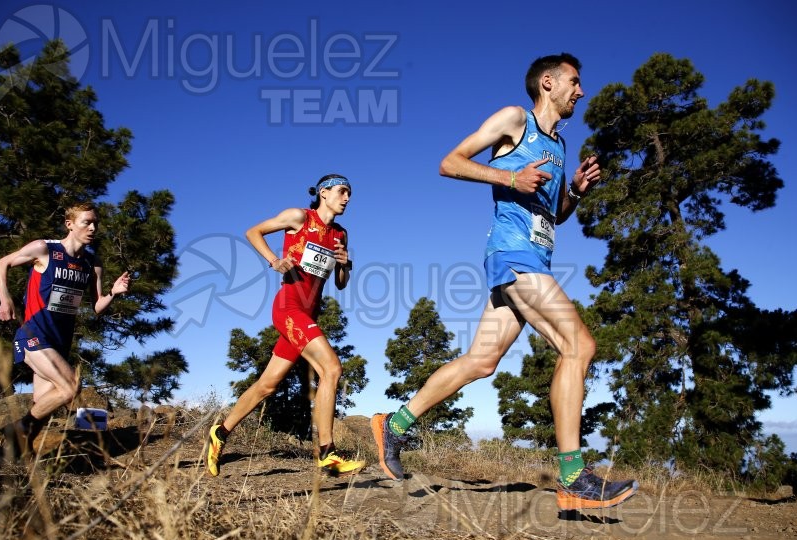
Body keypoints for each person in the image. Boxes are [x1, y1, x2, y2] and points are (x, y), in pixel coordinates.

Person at [371, 53, 638, 510]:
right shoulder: (516, 120)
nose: (581, 91)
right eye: (574, 82)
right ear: (548, 83)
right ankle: (573, 476)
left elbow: (553, 216)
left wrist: (573, 190)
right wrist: (508, 175)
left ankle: (392, 425)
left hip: (533, 258)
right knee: (579, 346)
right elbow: (450, 163)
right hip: (513, 256)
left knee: (480, 362)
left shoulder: (558, 144)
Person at [206, 175, 365, 478]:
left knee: (267, 385)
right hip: (288, 308)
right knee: (331, 369)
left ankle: (220, 432)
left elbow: (341, 285)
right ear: (324, 192)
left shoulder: (340, 235)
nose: (347, 198)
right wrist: (274, 260)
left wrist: (346, 265)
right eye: (342, 192)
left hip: (309, 314)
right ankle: (327, 453)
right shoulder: (299, 217)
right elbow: (254, 231)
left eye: (349, 194)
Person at [0, 201, 130, 457]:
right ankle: (17, 430)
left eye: (95, 223)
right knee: (70, 386)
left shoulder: (92, 264)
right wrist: (5, 298)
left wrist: (114, 292)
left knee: (43, 405)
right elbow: (1, 264)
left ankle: (18, 456)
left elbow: (98, 306)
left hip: (59, 341)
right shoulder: (44, 249)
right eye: (86, 222)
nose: (93, 228)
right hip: (33, 333)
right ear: (69, 224)